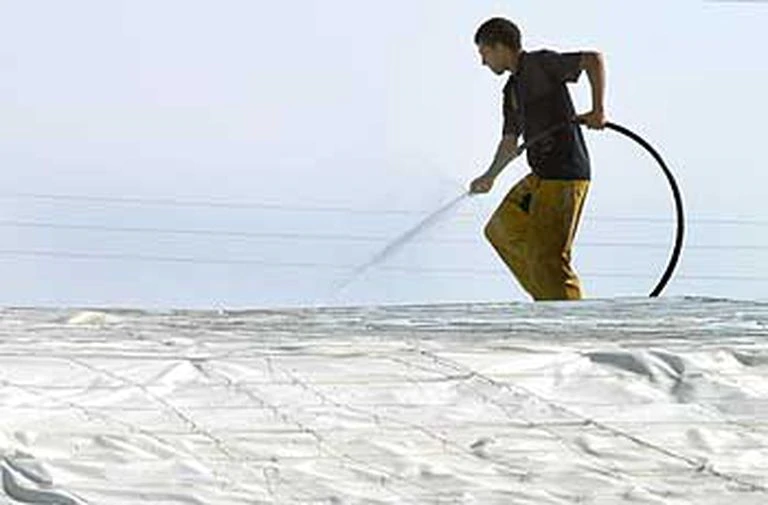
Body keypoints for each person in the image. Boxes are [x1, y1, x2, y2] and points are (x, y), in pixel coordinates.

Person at [469, 17, 606, 301]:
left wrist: (597, 110)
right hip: (540, 177)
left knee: (550, 256)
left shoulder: (541, 64)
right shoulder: (511, 91)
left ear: (499, 47)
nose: (483, 62)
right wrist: (489, 176)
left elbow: (593, 60)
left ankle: (567, 315)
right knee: (500, 231)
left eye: (484, 53)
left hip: (565, 176)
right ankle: (548, 298)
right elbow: (510, 143)